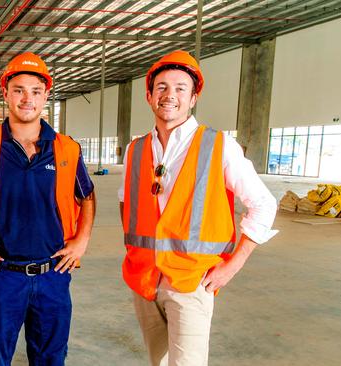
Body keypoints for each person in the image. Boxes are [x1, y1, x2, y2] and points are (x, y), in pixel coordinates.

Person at [119, 50, 278, 366]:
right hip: (145, 279)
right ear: (149, 95)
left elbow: (263, 204)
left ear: (193, 98)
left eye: (180, 88)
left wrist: (232, 266)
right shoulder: (134, 149)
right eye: (162, 87)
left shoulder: (220, 146)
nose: (170, 95)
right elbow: (128, 206)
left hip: (193, 281)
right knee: (159, 361)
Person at [0, 52, 96, 365]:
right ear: (6, 93)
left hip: (53, 274)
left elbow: (86, 196)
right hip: (2, 276)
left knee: (51, 358)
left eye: (35, 91)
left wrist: (83, 239)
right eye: (19, 90)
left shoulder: (67, 148)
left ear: (46, 96)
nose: (27, 99)